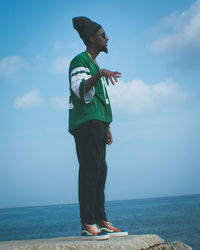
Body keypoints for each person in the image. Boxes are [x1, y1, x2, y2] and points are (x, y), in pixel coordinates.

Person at [68, 16, 128, 240]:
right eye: (103, 35)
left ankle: (101, 220)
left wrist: (107, 126)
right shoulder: (80, 61)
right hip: (85, 124)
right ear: (92, 38)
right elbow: (80, 88)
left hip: (98, 124)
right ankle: (88, 223)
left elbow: (99, 100)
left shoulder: (94, 65)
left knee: (100, 171)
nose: (107, 38)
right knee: (90, 171)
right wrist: (99, 74)